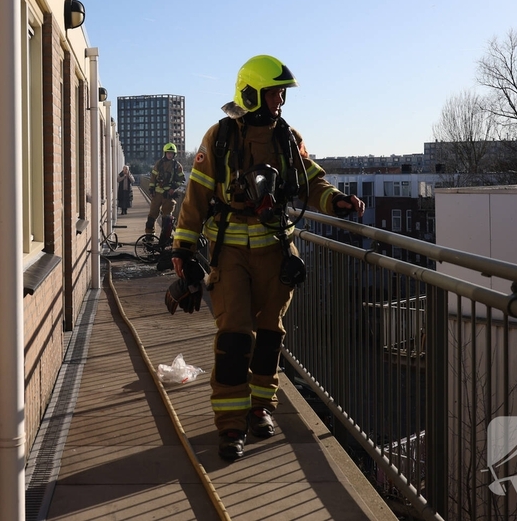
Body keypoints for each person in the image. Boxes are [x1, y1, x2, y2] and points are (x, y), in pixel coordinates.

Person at [169, 54, 365, 461]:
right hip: (231, 255)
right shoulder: (219, 138)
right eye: (275, 92)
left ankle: (260, 409)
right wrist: (183, 250)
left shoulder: (287, 138)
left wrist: (336, 200)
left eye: (281, 94)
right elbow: (197, 196)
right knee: (235, 337)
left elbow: (310, 178)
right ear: (252, 93)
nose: (280, 101)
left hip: (275, 251)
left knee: (269, 336)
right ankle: (230, 426)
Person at [145, 142, 185, 235]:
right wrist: (151, 189)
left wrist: (173, 187)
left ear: (174, 154)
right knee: (152, 216)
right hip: (157, 194)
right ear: (165, 153)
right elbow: (153, 177)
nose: (170, 155)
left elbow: (181, 179)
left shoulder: (177, 166)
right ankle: (149, 236)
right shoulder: (159, 164)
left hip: (169, 195)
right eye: (168, 153)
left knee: (167, 218)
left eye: (171, 153)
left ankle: (165, 237)